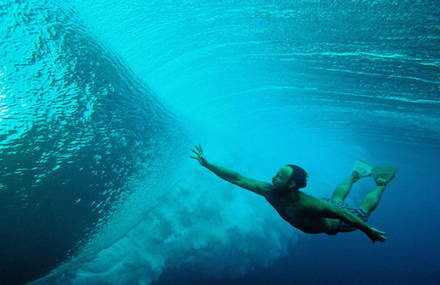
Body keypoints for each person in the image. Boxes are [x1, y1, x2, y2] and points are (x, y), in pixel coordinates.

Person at [190, 144, 398, 243]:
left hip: (338, 221)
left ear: (291, 185)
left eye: (279, 177)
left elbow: (343, 215)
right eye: (276, 174)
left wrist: (367, 230)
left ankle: (380, 184)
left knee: (362, 209)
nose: (273, 178)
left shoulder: (307, 204)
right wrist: (208, 164)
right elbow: (238, 178)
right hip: (326, 208)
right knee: (337, 198)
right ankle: (354, 176)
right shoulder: (268, 190)